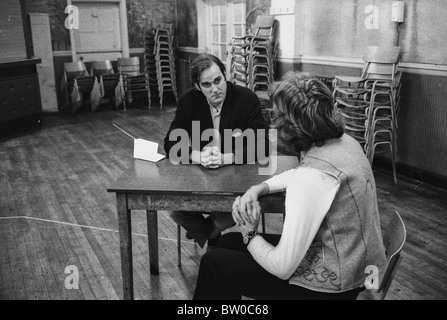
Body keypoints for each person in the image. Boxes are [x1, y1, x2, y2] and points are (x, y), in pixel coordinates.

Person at [193, 71, 387, 300]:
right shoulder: (346, 143)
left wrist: (249, 232)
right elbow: (303, 175)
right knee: (226, 241)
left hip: (335, 289)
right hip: (358, 268)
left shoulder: (311, 178)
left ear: (289, 128)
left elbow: (282, 267)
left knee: (213, 263)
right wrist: (260, 188)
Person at [164, 53, 270, 250]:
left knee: (237, 210)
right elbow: (170, 142)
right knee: (175, 209)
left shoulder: (246, 98)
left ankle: (208, 233)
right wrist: (197, 156)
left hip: (237, 180)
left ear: (225, 74)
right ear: (197, 86)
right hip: (201, 178)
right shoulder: (188, 101)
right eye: (207, 85)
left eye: (218, 80)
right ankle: (212, 232)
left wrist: (227, 158)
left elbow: (263, 145)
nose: (215, 89)